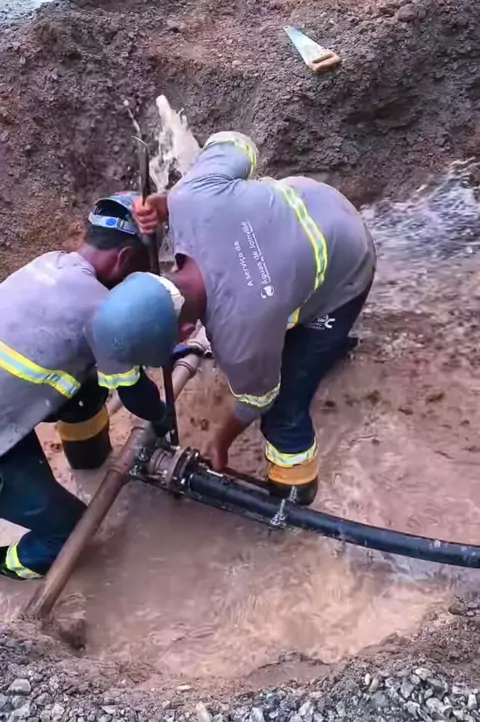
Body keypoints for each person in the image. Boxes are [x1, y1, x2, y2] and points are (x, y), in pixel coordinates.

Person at [90, 133, 376, 507]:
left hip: (349, 262)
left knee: (284, 406)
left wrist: (220, 441)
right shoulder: (191, 197)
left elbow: (258, 398)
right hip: (317, 200)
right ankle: (322, 345)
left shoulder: (240, 336)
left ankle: (295, 492)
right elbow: (236, 142)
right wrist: (168, 203)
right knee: (279, 323)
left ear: (187, 331)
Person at [0, 192, 172, 581]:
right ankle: (9, 561)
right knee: (71, 532)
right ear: (124, 258)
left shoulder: (48, 263)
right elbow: (137, 398)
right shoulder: (100, 310)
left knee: (89, 385)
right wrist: (163, 421)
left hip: (7, 411)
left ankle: (87, 457)